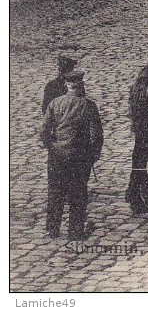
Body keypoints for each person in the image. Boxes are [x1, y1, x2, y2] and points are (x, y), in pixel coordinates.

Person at [40, 68, 103, 240]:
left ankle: (52, 229)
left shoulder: (55, 103)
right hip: (79, 157)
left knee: (55, 192)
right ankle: (75, 232)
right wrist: (93, 156)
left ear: (67, 86)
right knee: (78, 193)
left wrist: (52, 148)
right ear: (80, 85)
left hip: (57, 156)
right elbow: (96, 135)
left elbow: (44, 132)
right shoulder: (89, 106)